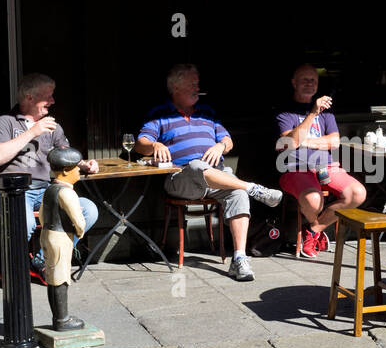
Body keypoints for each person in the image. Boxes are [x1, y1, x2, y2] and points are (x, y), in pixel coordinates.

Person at [136, 64, 282, 282]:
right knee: (197, 166)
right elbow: (140, 143)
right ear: (175, 86)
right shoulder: (160, 114)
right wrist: (154, 145)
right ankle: (252, 188)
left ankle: (239, 259)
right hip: (181, 178)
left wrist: (220, 147)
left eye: (197, 83)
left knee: (237, 193)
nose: (198, 87)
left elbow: (228, 140)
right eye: (192, 83)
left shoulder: (208, 113)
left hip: (215, 176)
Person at [0, 72, 99, 278]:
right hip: (10, 192)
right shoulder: (3, 123)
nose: (53, 101)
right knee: (26, 222)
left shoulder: (52, 126)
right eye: (48, 96)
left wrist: (84, 164)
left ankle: (40, 260)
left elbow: (66, 155)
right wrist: (31, 132)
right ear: (30, 97)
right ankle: (14, 268)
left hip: (45, 191)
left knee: (88, 210)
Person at [275, 64, 367, 259]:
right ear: (294, 83)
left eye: (314, 80)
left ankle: (314, 230)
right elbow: (290, 143)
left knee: (357, 194)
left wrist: (305, 142)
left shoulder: (327, 113)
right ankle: (315, 232)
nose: (310, 83)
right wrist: (312, 114)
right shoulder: (285, 112)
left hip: (327, 167)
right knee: (314, 200)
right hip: (295, 169)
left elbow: (334, 142)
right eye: (305, 80)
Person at [40, 147, 89, 332]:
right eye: (76, 167)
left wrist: (46, 230)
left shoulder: (50, 189)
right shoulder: (67, 193)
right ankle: (62, 320)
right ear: (66, 171)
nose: (79, 170)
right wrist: (80, 231)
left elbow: (42, 216)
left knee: (52, 276)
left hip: (48, 235)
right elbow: (78, 219)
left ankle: (59, 317)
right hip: (61, 238)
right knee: (61, 277)